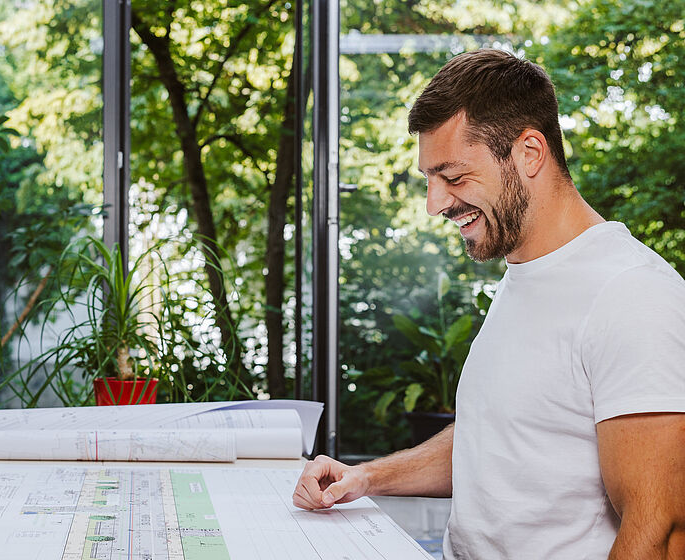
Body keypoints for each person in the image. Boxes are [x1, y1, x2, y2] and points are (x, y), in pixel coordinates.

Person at [292, 49, 685, 558]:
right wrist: (366, 476)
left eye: (453, 177)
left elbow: (659, 533)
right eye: (429, 179)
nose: (435, 203)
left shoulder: (633, 293)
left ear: (528, 153)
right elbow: (499, 436)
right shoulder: (527, 272)